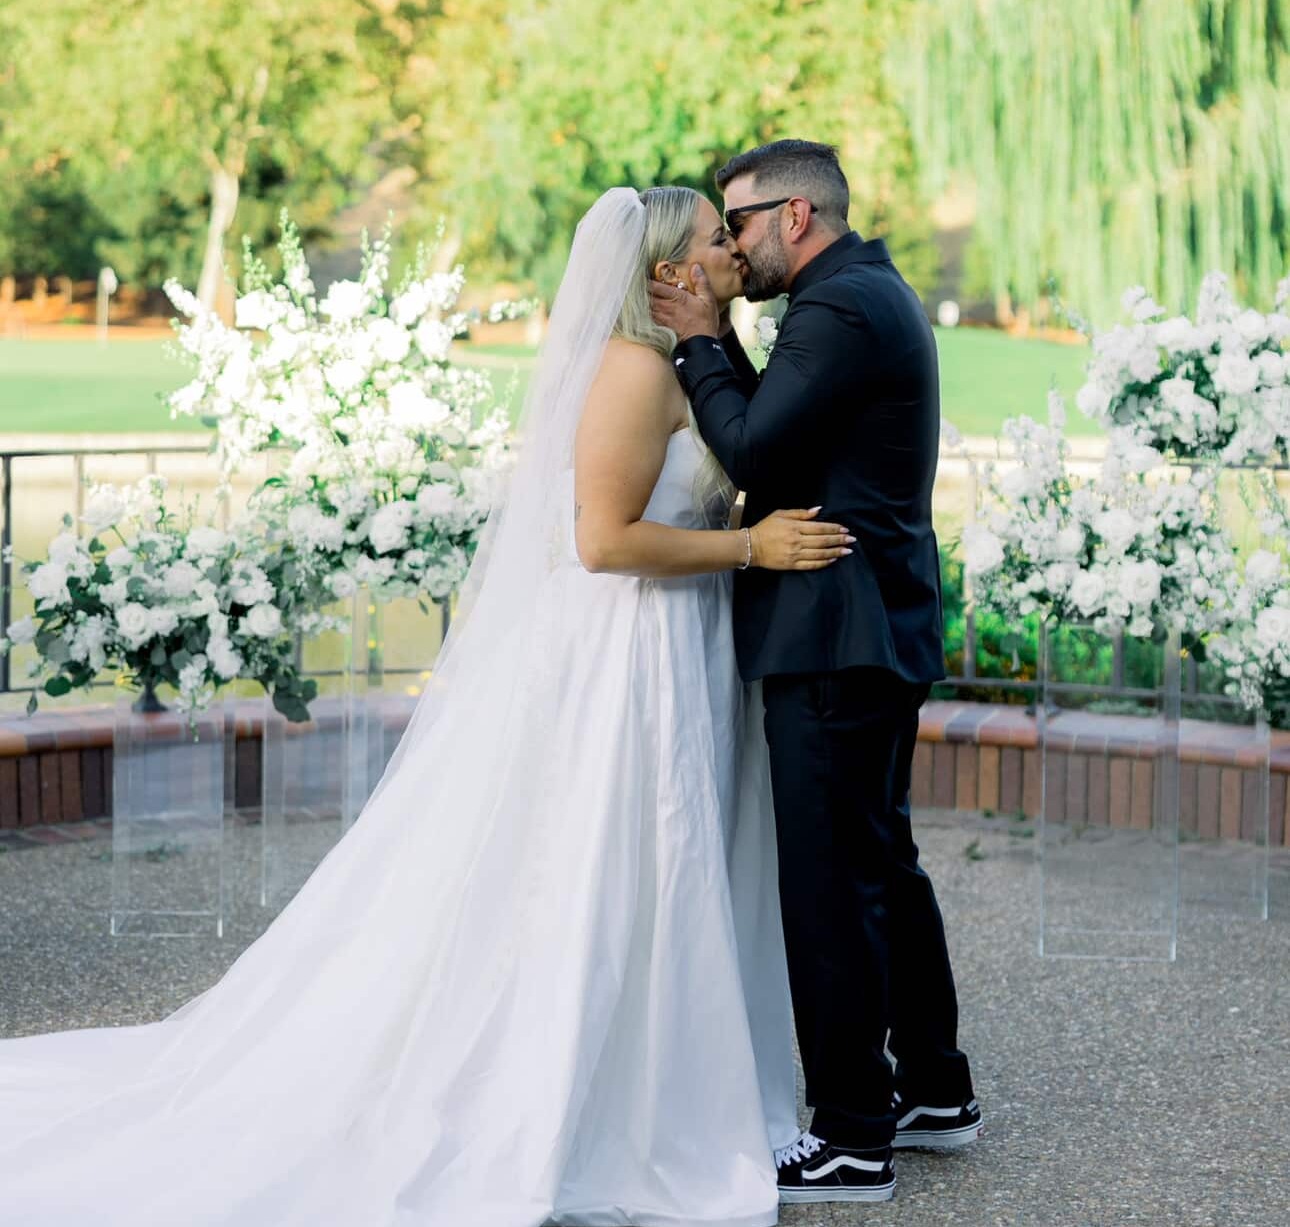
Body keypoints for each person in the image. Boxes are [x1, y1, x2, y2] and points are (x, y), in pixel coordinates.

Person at [0, 185, 851, 1227]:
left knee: (672, 853)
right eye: (717, 240)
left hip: (686, 642)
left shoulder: (687, 360)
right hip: (629, 650)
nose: (733, 251)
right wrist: (749, 547)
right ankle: (596, 1099)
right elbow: (602, 540)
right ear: (669, 270)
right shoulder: (633, 371)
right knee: (619, 853)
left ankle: (670, 1070)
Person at [650, 139, 980, 1209]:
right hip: (872, 623)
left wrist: (700, 339)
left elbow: (750, 455)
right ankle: (933, 1088)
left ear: (795, 215)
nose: (733, 249)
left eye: (738, 224)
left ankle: (852, 1134)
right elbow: (786, 448)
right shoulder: (857, 294)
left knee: (833, 882)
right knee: (881, 859)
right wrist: (728, 346)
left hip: (837, 632)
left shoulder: (837, 311)